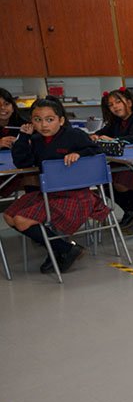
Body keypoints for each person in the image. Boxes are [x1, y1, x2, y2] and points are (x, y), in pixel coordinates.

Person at [3, 98, 107, 273]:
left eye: (49, 119)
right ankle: (61, 249)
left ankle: (65, 249)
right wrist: (23, 138)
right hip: (49, 193)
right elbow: (24, 162)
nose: (43, 125)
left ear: (61, 120)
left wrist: (78, 154)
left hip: (76, 197)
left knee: (22, 220)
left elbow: (96, 151)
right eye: (37, 120)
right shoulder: (35, 139)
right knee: (9, 215)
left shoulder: (74, 135)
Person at [95, 88, 133, 230]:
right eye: (110, 105)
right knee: (101, 179)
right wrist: (95, 135)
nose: (115, 107)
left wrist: (115, 139)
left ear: (129, 102)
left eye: (118, 102)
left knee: (112, 180)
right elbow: (102, 132)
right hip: (124, 163)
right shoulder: (116, 122)